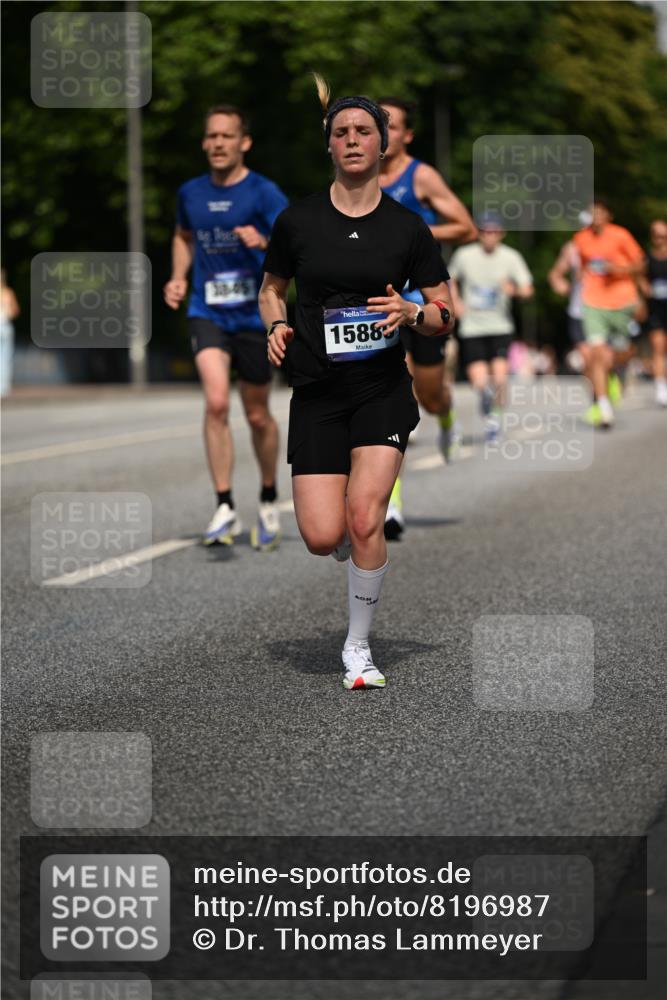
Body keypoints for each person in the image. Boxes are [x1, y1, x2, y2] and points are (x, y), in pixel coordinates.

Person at [258, 77, 453, 690]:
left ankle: (358, 649)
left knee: (366, 518)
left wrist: (414, 315)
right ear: (329, 145)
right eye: (340, 132)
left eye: (363, 131)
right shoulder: (297, 220)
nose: (352, 140)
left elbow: (446, 311)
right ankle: (344, 549)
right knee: (322, 536)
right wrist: (278, 324)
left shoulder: (408, 228)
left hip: (380, 390)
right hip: (317, 388)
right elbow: (270, 289)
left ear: (385, 143)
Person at [164, 104, 288, 548]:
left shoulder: (264, 193)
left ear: (244, 143)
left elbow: (298, 243)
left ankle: (269, 497)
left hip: (256, 315)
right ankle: (224, 506)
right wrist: (179, 277)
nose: (217, 144)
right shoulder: (190, 193)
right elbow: (183, 236)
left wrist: (266, 240)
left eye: (226, 136)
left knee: (257, 414)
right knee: (217, 402)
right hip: (208, 310)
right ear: (204, 143)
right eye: (211, 136)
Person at [377, 97, 476, 539]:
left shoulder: (422, 176)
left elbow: (466, 227)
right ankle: (389, 503)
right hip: (377, 305)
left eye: (391, 126)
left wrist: (415, 230)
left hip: (425, 304)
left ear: (407, 135)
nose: (382, 133)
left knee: (430, 397)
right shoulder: (357, 176)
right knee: (387, 403)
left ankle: (447, 417)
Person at [448, 212, 533, 441]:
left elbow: (527, 289)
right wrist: (456, 301)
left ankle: (495, 418)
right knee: (479, 382)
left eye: (494, 231)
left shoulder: (511, 257)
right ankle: (487, 404)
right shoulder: (464, 255)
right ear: (478, 233)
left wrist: (513, 290)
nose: (489, 236)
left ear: (502, 234)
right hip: (472, 327)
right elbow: (449, 279)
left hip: (500, 326)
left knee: (501, 378)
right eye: (485, 231)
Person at [573, 197, 644, 428]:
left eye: (600, 213)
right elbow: (583, 267)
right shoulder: (580, 238)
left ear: (608, 216)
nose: (596, 217)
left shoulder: (620, 235)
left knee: (624, 351)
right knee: (596, 353)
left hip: (623, 301)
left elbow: (640, 264)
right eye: (592, 213)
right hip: (593, 302)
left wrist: (619, 269)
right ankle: (603, 407)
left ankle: (615, 371)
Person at [639, 219, 667, 408]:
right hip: (656, 308)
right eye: (656, 235)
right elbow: (639, 276)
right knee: (658, 347)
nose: (660, 238)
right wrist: (646, 288)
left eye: (663, 235)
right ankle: (661, 388)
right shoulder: (647, 257)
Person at [0, 269, 19, 397]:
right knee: (5, 357)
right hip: (5, 326)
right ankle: (3, 388)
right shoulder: (8, 293)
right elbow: (15, 311)